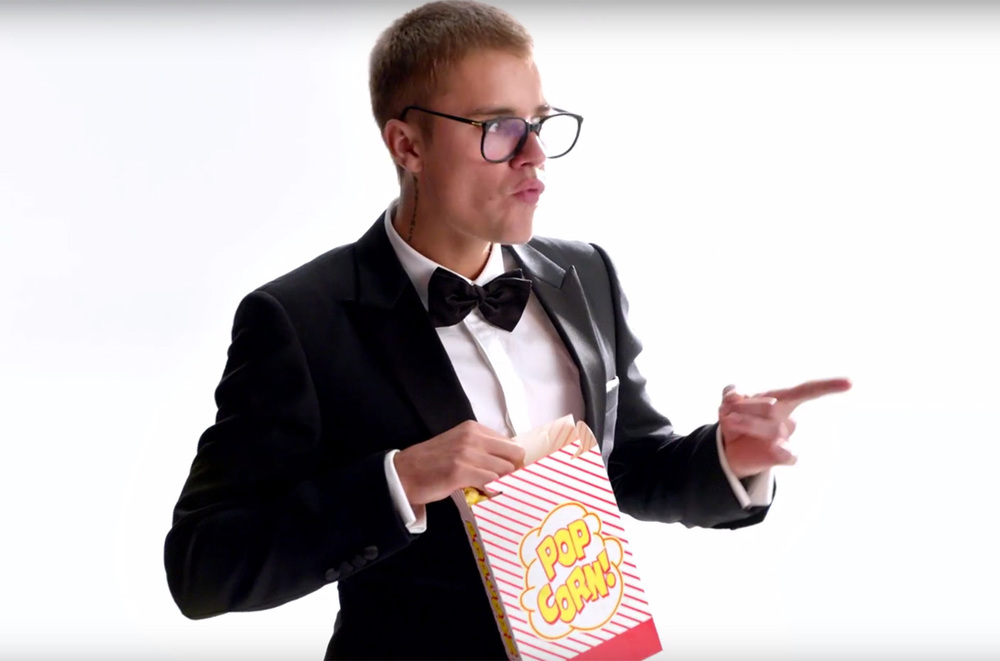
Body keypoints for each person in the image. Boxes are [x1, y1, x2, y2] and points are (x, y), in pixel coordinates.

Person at [163, 1, 851, 658]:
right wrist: (399, 480)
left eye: (540, 123)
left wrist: (730, 458)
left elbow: (629, 465)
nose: (536, 155)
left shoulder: (585, 274)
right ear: (407, 145)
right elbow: (201, 567)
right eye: (499, 127)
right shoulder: (301, 319)